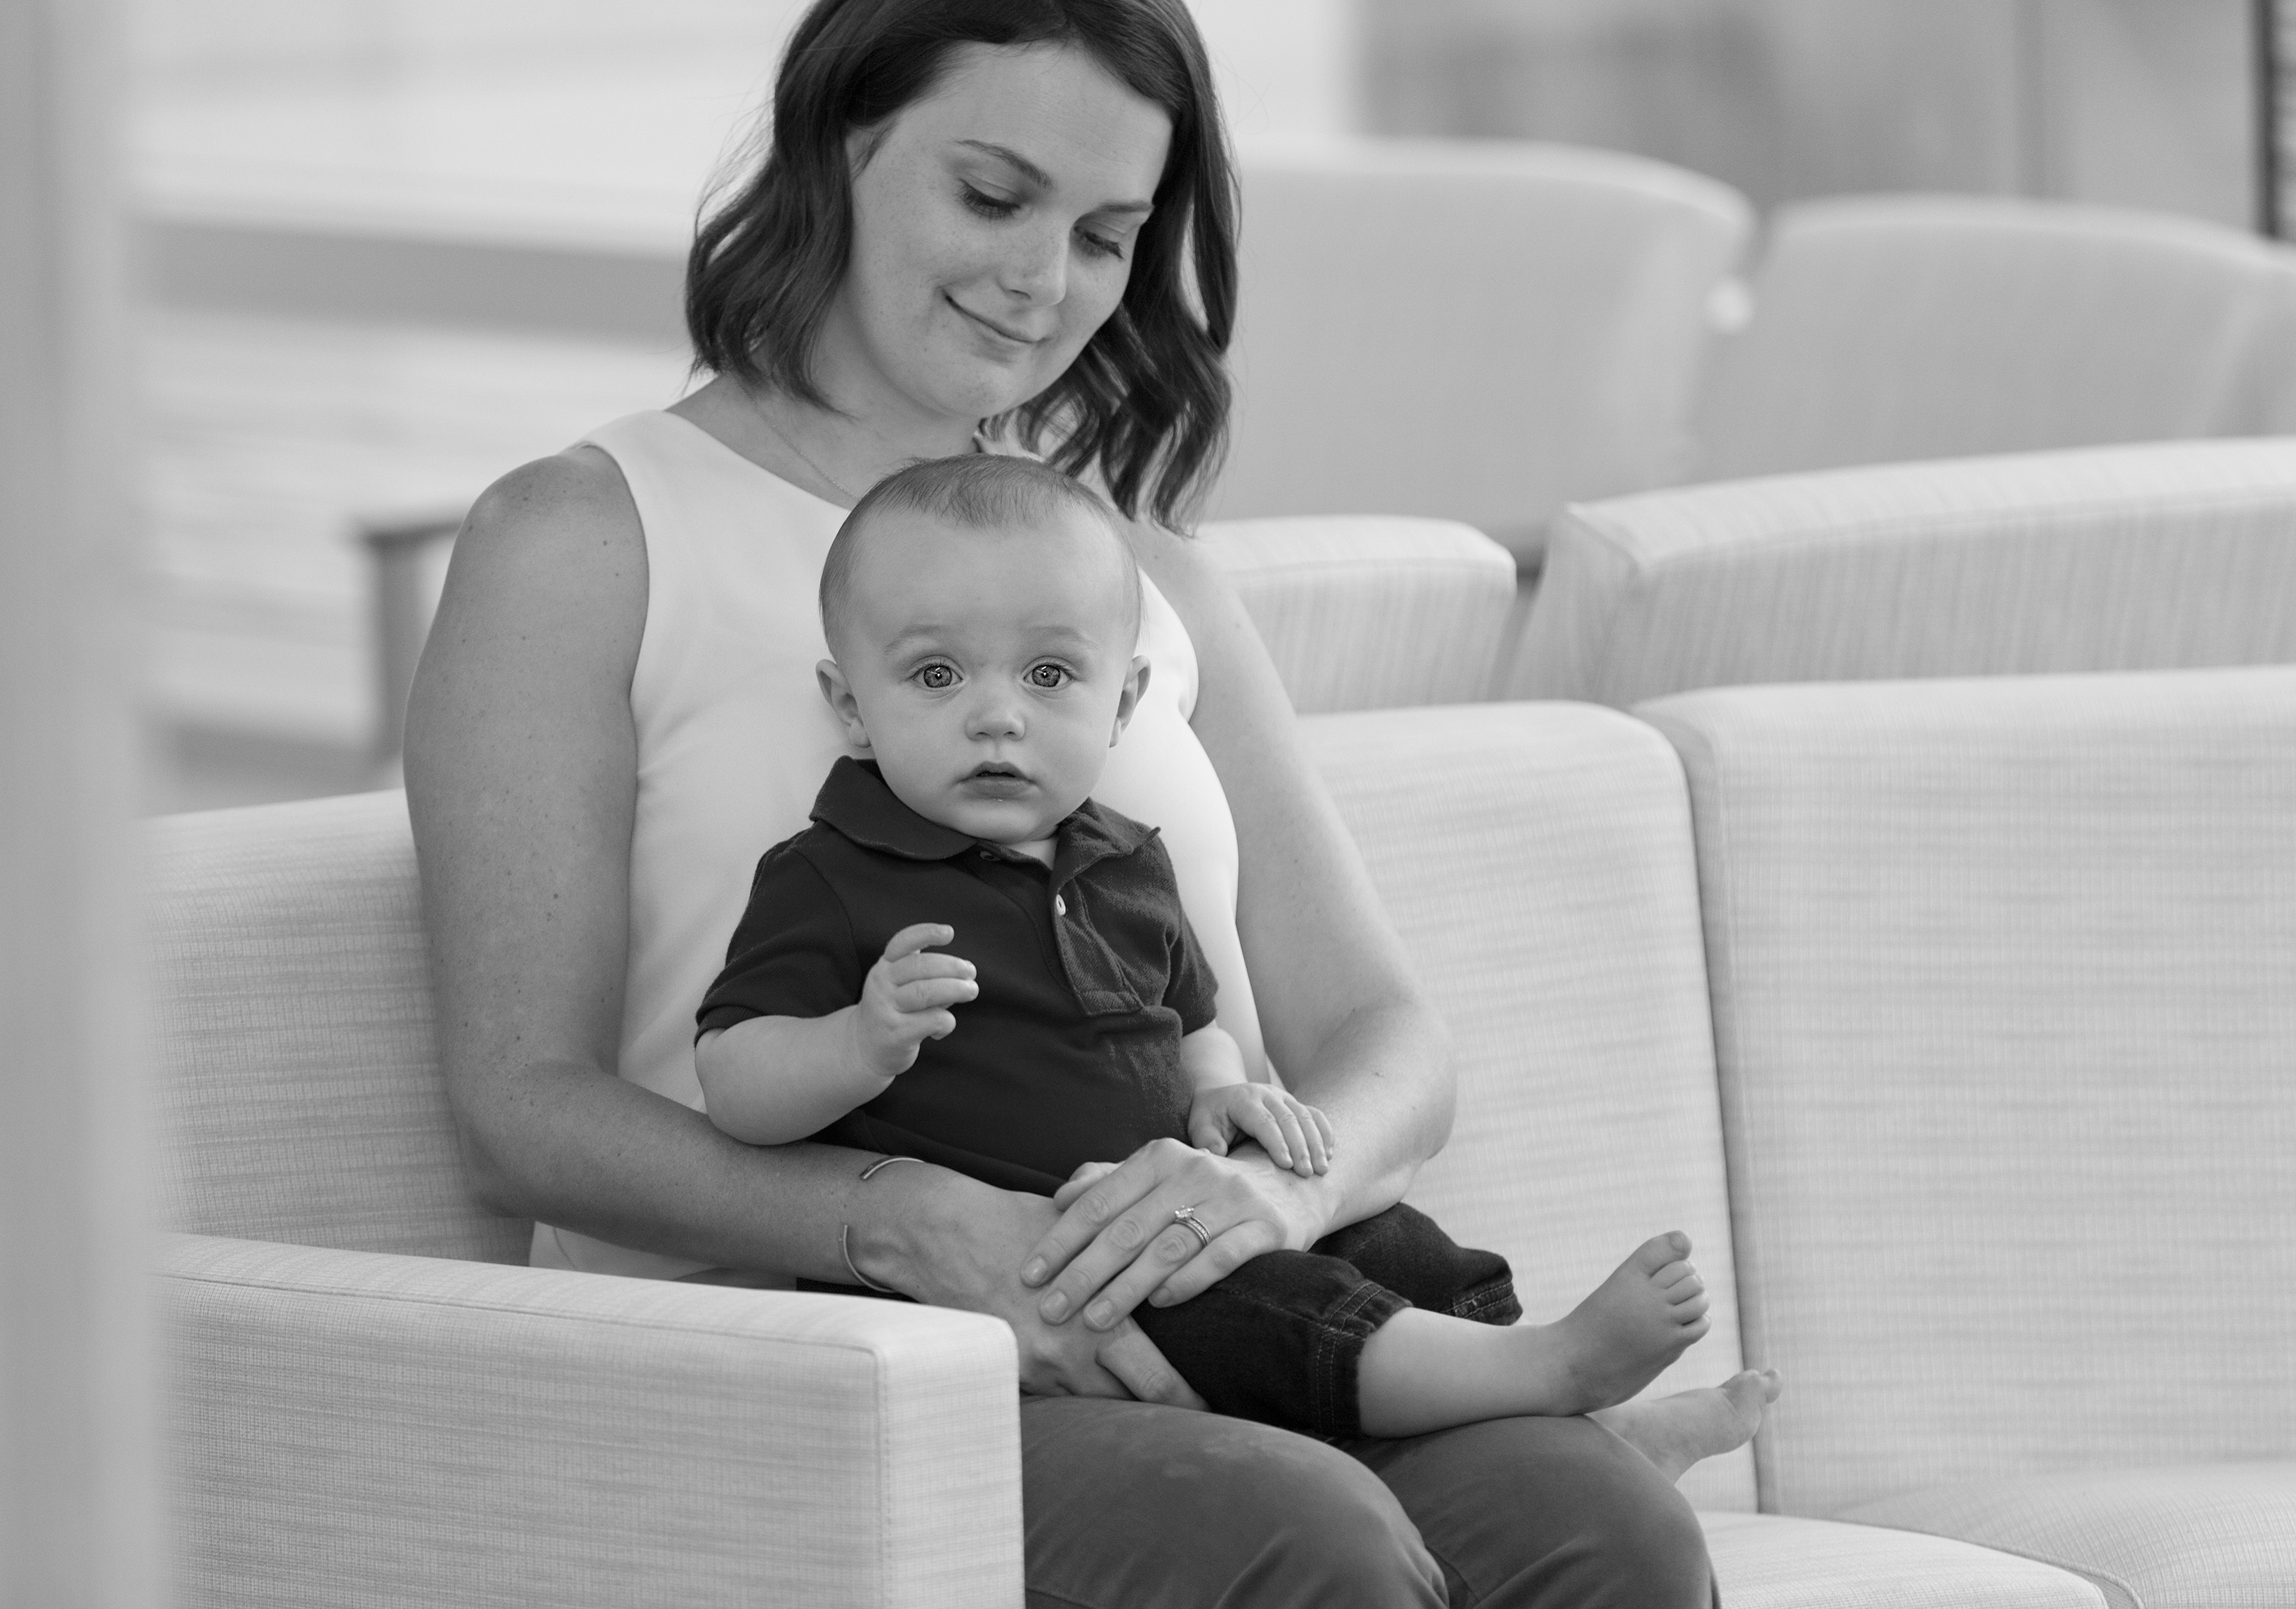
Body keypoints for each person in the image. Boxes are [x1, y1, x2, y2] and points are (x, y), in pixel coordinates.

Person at [406, 0, 1747, 1605]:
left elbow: (1382, 1034)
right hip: (804, 1368)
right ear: (838, 141)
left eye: (1109, 235)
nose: (1047, 283)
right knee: (1302, 1539)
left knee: (1609, 1530)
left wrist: (1270, 1200)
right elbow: (521, 1109)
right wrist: (900, 1218)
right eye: (994, 193)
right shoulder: (581, 542)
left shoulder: (1145, 580)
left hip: (1199, 1322)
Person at [695, 453, 1775, 1448]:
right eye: (935, 677)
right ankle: (1551, 1373)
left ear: (1120, 704)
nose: (995, 717)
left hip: (1169, 1213)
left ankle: (1563, 1429)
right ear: (850, 707)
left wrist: (1220, 1097)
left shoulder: (1129, 862)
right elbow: (735, 1084)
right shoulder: (830, 875)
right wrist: (856, 1043)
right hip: (1032, 1276)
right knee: (1255, 1309)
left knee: (1392, 1243)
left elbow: (1190, 1025)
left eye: (1048, 677)